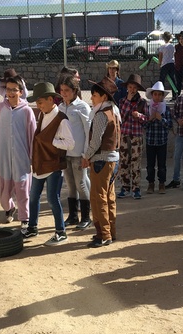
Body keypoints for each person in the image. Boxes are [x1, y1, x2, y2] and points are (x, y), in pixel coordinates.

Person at [0, 74, 36, 229]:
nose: (10, 93)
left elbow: (32, 137)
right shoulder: (0, 109)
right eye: (8, 89)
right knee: (2, 189)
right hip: (2, 158)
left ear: (21, 92)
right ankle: (9, 208)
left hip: (21, 158)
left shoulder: (27, 111)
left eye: (14, 90)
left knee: (23, 189)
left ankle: (24, 218)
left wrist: (33, 158)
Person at [27, 82, 75, 246]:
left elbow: (70, 143)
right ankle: (32, 227)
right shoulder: (42, 115)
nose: (38, 106)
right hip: (39, 165)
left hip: (53, 165)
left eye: (40, 102)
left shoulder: (61, 119)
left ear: (50, 99)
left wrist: (53, 142)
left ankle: (61, 232)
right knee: (33, 197)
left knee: (52, 199)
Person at [81, 77, 120, 248]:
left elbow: (95, 142)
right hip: (112, 159)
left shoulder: (101, 115)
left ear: (103, 97)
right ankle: (110, 231)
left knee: (98, 198)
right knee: (108, 197)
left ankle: (103, 234)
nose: (92, 98)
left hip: (101, 160)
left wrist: (86, 156)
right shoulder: (114, 111)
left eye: (95, 95)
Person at [58, 75, 92, 230]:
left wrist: (86, 154)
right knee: (70, 185)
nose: (63, 93)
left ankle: (86, 217)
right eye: (62, 90)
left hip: (79, 154)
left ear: (74, 91)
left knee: (81, 184)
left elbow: (88, 131)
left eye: (67, 90)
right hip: (66, 154)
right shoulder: (60, 107)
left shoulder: (82, 107)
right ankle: (73, 216)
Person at [116, 74, 147, 200]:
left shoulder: (143, 102)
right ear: (127, 88)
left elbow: (146, 119)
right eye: (130, 87)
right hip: (124, 135)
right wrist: (128, 101)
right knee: (124, 161)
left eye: (134, 87)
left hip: (136, 135)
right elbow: (121, 116)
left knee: (136, 162)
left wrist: (139, 116)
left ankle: (136, 188)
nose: (132, 89)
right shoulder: (122, 101)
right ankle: (125, 187)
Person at [142, 81, 172, 194]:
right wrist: (149, 119)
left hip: (161, 141)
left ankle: (161, 183)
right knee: (150, 165)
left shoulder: (166, 109)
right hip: (150, 141)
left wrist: (161, 119)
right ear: (152, 95)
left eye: (160, 95)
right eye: (155, 94)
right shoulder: (148, 108)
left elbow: (169, 125)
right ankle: (151, 183)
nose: (157, 97)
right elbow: (144, 124)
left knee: (162, 165)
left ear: (162, 96)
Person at [158, 32, 175, 96]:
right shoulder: (172, 46)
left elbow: (160, 56)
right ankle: (174, 94)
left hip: (164, 64)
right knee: (172, 79)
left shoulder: (162, 47)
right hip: (172, 63)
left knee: (162, 79)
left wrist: (159, 63)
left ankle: (161, 93)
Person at [174, 32, 183, 100]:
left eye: (182, 39)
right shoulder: (177, 47)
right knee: (178, 82)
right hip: (177, 67)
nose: (181, 40)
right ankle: (178, 95)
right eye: (180, 39)